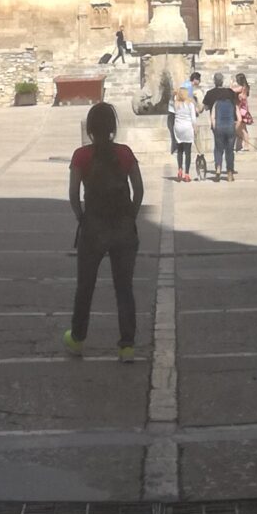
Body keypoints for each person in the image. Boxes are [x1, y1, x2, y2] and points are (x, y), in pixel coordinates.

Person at [63, 100, 144, 360]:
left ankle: (77, 338)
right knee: (124, 288)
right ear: (112, 128)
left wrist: (82, 218)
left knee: (85, 286)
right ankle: (127, 345)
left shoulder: (81, 156)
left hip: (94, 227)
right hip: (122, 227)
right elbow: (139, 190)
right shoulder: (125, 153)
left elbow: (73, 194)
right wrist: (130, 215)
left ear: (90, 129)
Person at [203, 70, 240, 177]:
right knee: (229, 150)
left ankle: (218, 166)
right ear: (222, 81)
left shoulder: (210, 94)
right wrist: (236, 127)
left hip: (217, 125)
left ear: (214, 81)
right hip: (230, 124)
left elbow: (206, 108)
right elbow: (237, 108)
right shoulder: (230, 93)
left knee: (218, 148)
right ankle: (229, 172)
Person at [168, 77, 195, 179]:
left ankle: (180, 169)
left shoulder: (175, 104)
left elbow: (171, 104)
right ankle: (187, 174)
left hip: (178, 127)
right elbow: (193, 119)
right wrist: (195, 129)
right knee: (188, 152)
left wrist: (174, 94)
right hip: (187, 127)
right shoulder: (190, 104)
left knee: (179, 150)